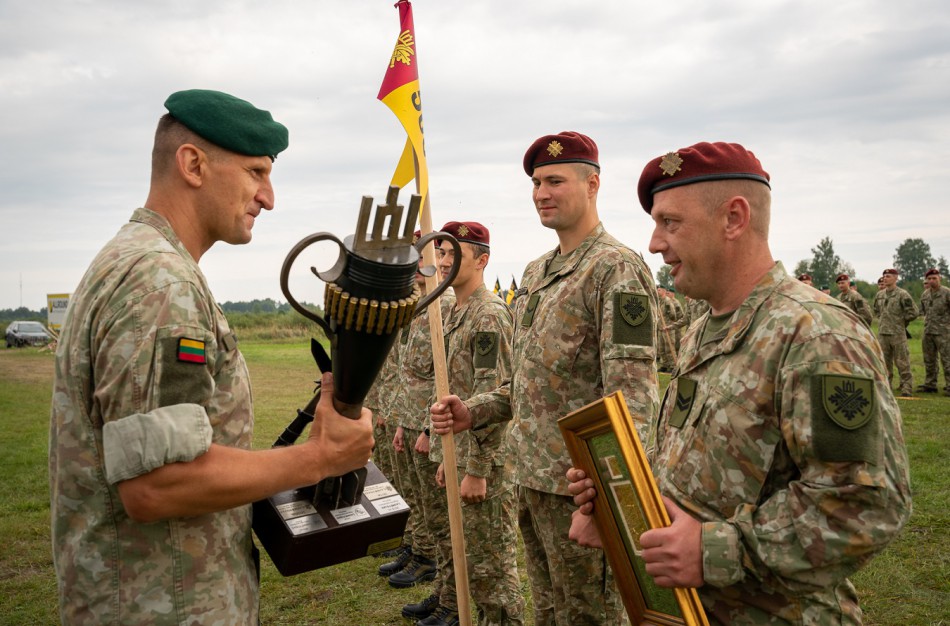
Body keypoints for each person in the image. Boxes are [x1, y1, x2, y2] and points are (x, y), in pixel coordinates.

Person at [48, 90, 375, 624]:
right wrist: (320, 457)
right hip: (163, 604)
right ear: (193, 164)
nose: (268, 198)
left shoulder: (142, 262)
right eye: (255, 172)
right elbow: (156, 485)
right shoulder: (158, 281)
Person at [568, 141, 912, 625]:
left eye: (671, 222)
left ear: (733, 218)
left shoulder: (815, 332)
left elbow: (865, 505)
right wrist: (622, 499)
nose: (654, 243)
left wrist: (712, 551)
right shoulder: (704, 327)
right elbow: (692, 466)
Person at [431, 131, 660, 625]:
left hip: (580, 491)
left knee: (590, 617)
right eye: (536, 182)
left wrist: (607, 504)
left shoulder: (615, 270)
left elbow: (632, 403)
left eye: (555, 180)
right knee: (550, 613)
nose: (541, 193)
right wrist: (476, 409)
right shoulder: (536, 273)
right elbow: (528, 383)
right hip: (531, 478)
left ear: (593, 184)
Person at [416, 221, 523, 626]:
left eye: (453, 253)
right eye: (440, 252)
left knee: (492, 570)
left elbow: (493, 399)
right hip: (462, 454)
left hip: (488, 465)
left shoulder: (488, 315)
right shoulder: (455, 312)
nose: (443, 261)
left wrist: (476, 470)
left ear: (481, 260)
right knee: (474, 566)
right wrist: (451, 459)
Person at [873, 268, 918, 397]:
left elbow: (913, 312)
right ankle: (886, 387)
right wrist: (882, 319)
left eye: (888, 276)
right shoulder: (879, 295)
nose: (885, 278)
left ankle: (906, 388)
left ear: (895, 278)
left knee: (902, 362)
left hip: (897, 333)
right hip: (883, 333)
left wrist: (901, 321)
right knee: (884, 363)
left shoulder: (902, 294)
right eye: (884, 276)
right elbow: (876, 310)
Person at [919, 268, 950, 395]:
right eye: (929, 279)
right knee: (929, 359)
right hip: (928, 331)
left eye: (934, 278)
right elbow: (924, 311)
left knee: (947, 359)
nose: (931, 281)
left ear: (940, 279)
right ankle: (930, 384)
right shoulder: (925, 294)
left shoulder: (947, 292)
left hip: (944, 332)